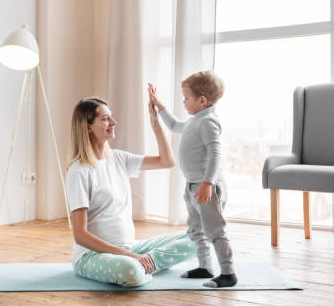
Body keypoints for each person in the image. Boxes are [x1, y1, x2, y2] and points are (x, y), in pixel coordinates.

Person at [64, 86, 196, 287]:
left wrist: (155, 121)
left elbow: (167, 161)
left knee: (199, 238)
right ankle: (143, 265)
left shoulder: (119, 159)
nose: (113, 122)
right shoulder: (78, 171)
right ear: (87, 126)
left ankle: (146, 264)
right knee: (130, 270)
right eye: (105, 118)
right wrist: (128, 256)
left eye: (111, 117)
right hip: (92, 256)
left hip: (131, 247)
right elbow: (80, 235)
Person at [149, 70, 237, 288]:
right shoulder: (194, 121)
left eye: (186, 98)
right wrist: (160, 107)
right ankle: (205, 267)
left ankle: (228, 272)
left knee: (215, 231)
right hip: (192, 186)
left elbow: (216, 154)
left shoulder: (208, 122)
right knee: (196, 230)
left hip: (207, 187)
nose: (184, 101)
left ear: (202, 100)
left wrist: (208, 183)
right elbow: (174, 125)